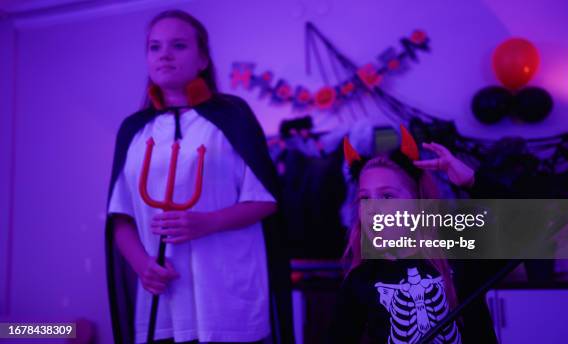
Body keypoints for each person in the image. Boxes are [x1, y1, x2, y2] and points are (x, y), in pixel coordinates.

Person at [104, 9, 293, 344]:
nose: (164, 54)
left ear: (203, 59)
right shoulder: (133, 130)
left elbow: (265, 201)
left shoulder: (233, 117)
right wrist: (141, 263)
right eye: (154, 47)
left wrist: (208, 222)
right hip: (164, 297)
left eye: (178, 45)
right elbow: (120, 216)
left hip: (226, 295)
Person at [327, 126, 501, 343]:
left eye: (388, 196)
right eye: (365, 198)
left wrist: (473, 181)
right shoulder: (361, 279)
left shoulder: (460, 257)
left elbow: (539, 226)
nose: (372, 208)